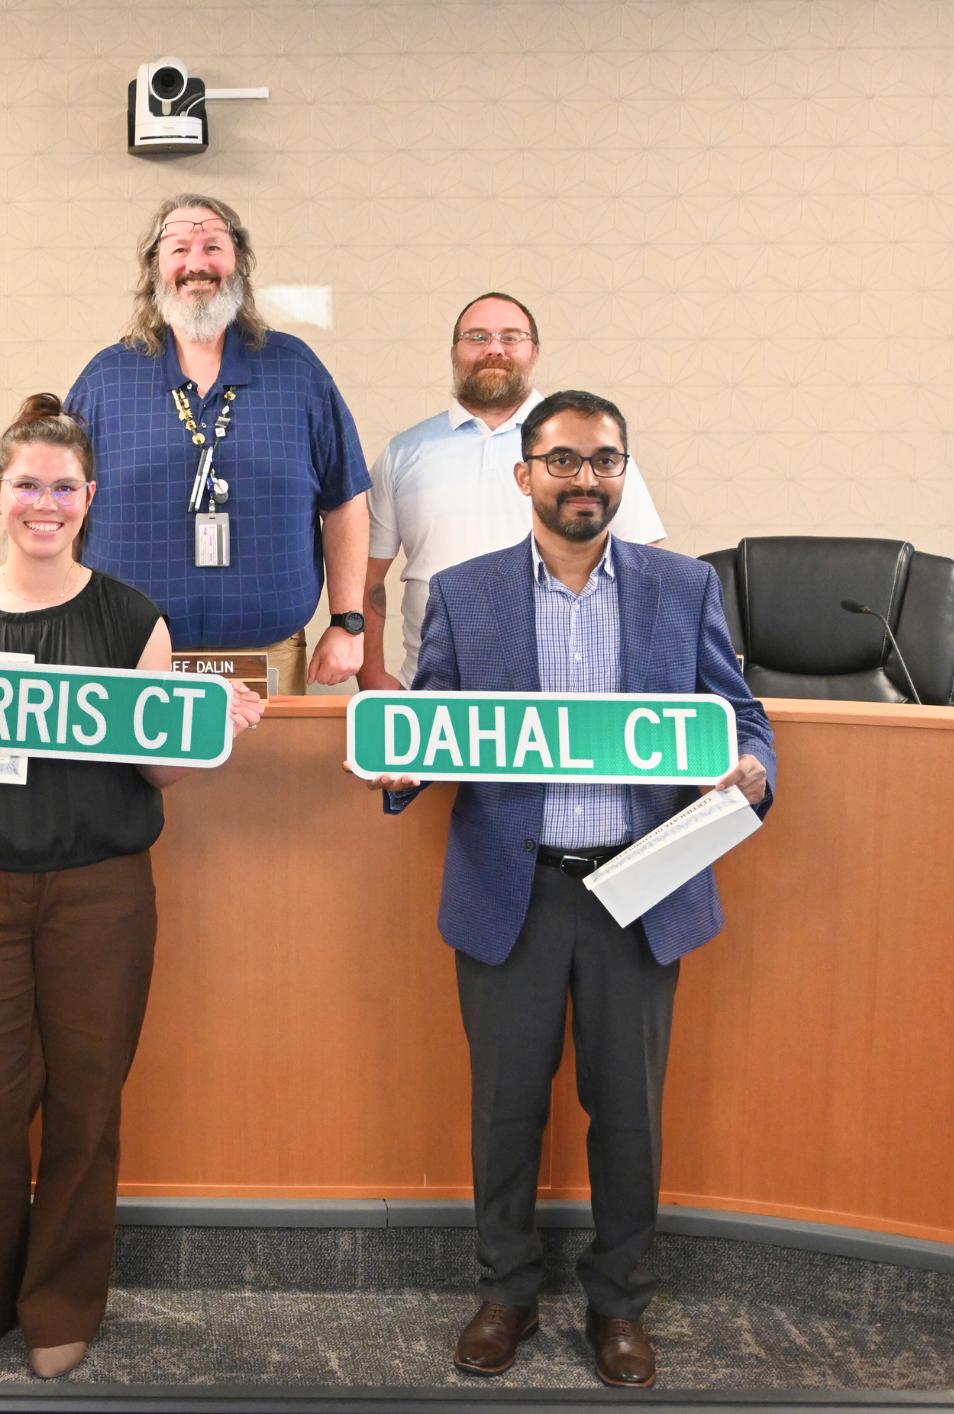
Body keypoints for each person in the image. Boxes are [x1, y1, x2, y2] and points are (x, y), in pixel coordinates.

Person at [0, 396, 266, 1379]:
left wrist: (206, 726)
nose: (44, 503)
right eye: (27, 485)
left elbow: (156, 772)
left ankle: (61, 1301)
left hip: (100, 896)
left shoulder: (129, 616)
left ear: (88, 500)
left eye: (63, 488)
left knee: (84, 1106)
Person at [370, 392, 774, 1388]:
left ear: (622, 475)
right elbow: (431, 721)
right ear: (525, 475)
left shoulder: (681, 588)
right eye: (561, 461)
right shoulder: (466, 593)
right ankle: (504, 1291)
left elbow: (742, 716)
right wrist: (396, 764)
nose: (583, 478)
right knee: (504, 1110)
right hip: (514, 891)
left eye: (603, 462)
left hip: (640, 890)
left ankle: (617, 1306)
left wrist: (753, 770)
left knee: (626, 1113)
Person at [67, 194, 370, 695]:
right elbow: (64, 508)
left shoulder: (297, 371)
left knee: (267, 778)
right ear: (155, 269)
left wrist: (348, 621)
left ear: (239, 265)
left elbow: (346, 499)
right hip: (127, 656)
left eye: (213, 246)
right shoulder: (106, 379)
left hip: (269, 657)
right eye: (179, 249)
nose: (196, 264)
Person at [361, 294, 667, 689]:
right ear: (454, 353)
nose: (493, 348)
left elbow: (648, 567)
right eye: (477, 337)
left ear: (535, 353)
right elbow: (368, 576)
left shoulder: (589, 449)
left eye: (511, 337)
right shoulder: (403, 453)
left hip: (574, 688)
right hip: (436, 691)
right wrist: (371, 673)